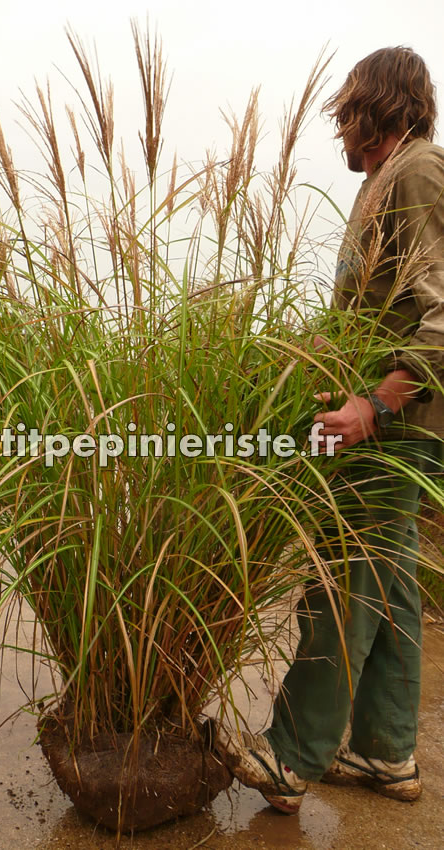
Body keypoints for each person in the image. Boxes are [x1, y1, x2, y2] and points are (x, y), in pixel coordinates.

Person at [212, 46, 444, 814]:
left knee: (343, 577)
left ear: (379, 106)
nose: (338, 123)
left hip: (389, 426)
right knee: (392, 586)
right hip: (386, 422)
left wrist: (372, 406)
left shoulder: (418, 171)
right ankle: (384, 752)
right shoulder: (385, 180)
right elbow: (378, 308)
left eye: (346, 107)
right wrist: (311, 350)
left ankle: (289, 755)